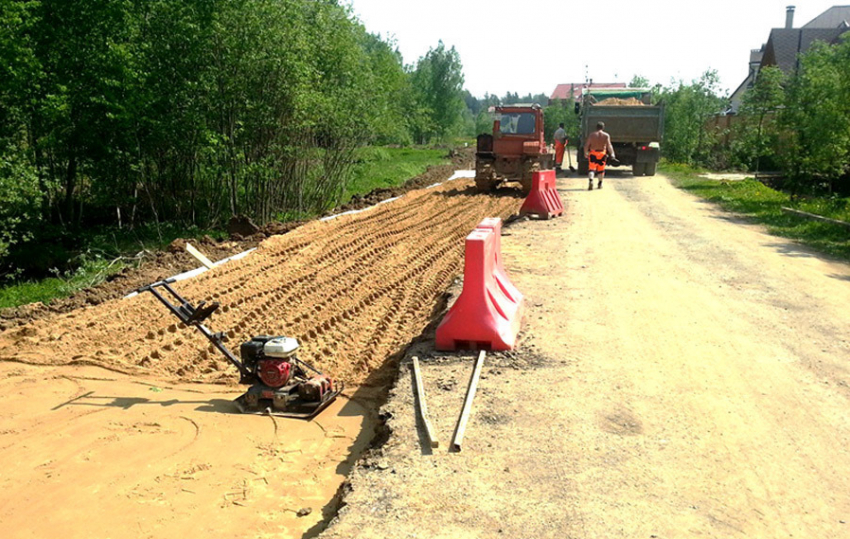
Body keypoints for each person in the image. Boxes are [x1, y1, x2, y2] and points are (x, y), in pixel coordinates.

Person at [583, 121, 615, 190]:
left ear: (596, 127)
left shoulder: (592, 135)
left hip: (593, 153)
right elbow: (609, 145)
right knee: (601, 170)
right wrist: (612, 154)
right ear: (603, 127)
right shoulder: (606, 135)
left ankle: (591, 180)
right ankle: (600, 183)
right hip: (602, 154)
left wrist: (585, 153)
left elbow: (586, 145)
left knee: (591, 169)